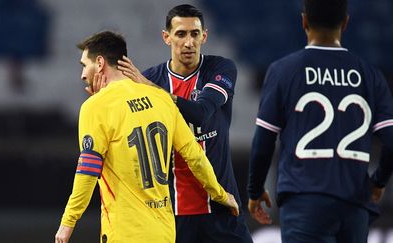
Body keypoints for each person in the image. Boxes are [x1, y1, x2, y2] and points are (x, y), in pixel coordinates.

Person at [54, 31, 240, 243]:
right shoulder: (161, 98)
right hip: (164, 232)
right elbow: (195, 156)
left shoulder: (95, 107)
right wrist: (221, 195)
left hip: (125, 233)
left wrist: (67, 223)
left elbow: (87, 171)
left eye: (83, 65)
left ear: (99, 62)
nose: (82, 75)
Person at [246, 0, 393, 242]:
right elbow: (391, 142)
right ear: (346, 23)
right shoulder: (371, 75)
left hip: (305, 200)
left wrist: (255, 190)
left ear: (304, 21)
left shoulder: (283, 70)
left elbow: (263, 142)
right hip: (354, 204)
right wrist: (377, 182)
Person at [117, 4, 253, 243]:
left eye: (194, 34)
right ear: (166, 37)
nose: (189, 42)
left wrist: (150, 91)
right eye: (181, 34)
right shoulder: (152, 79)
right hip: (173, 214)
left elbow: (200, 113)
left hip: (222, 207)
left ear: (204, 36)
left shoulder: (220, 69)